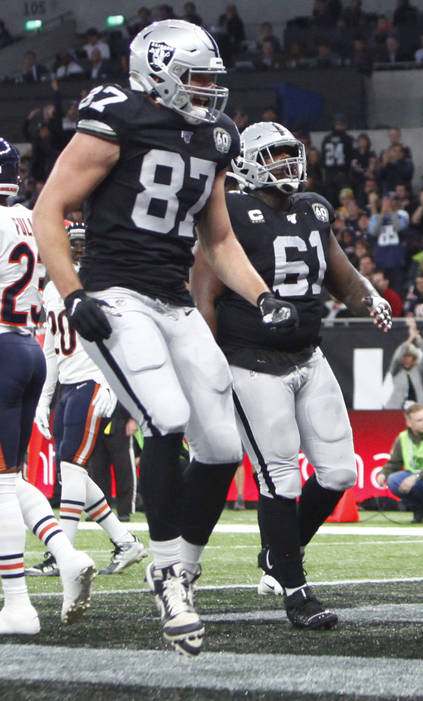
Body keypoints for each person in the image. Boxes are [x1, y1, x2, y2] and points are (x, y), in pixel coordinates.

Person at [31, 20, 299, 657]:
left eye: (213, 80)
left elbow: (220, 239)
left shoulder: (216, 137)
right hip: (114, 293)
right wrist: (73, 293)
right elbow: (50, 208)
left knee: (223, 446)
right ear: (157, 72)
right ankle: (166, 576)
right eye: (198, 78)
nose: (210, 92)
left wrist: (262, 295)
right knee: (168, 417)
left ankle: (180, 563)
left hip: (173, 300)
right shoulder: (116, 116)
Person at [192, 121, 391, 629]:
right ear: (251, 161)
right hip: (251, 361)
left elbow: (341, 275)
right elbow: (205, 294)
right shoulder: (231, 210)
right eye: (276, 155)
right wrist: (211, 364)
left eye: (290, 154)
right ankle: (296, 592)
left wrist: (369, 297)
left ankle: (279, 555)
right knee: (279, 477)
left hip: (308, 355)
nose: (287, 164)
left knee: (340, 473)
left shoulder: (314, 208)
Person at [0, 139, 95, 634]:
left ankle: (17, 605)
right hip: (31, 349)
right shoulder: (33, 219)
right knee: (9, 481)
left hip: (0, 350)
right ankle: (65, 551)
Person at [30, 221, 148, 577]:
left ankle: (61, 554)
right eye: (74, 244)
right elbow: (50, 351)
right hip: (68, 385)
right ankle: (125, 542)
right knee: (75, 473)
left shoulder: (103, 286)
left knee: (70, 468)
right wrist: (43, 399)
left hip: (95, 382)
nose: (79, 250)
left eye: (84, 243)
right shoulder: (53, 290)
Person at [384, 319, 423, 409]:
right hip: (397, 407)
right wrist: (410, 338)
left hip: (418, 406)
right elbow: (396, 358)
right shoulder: (396, 370)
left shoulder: (417, 369)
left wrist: (417, 336)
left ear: (414, 358)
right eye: (404, 356)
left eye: (409, 356)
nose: (406, 359)